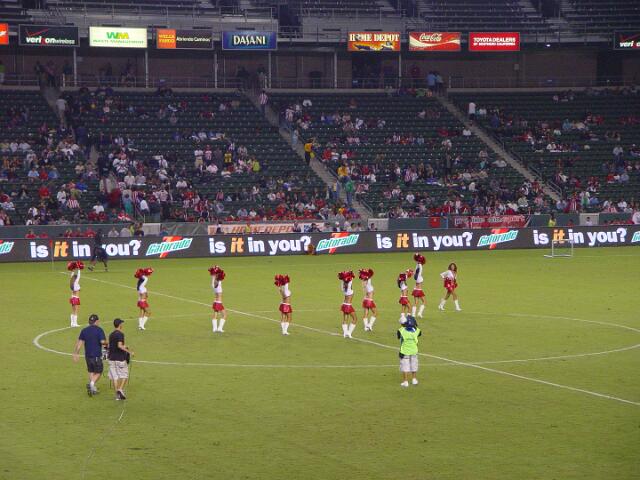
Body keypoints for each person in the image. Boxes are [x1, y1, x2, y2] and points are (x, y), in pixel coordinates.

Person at [73, 314, 107, 396]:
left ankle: (92, 388)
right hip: (96, 355)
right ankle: (91, 384)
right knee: (99, 371)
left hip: (87, 355)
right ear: (97, 321)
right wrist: (108, 343)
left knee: (91, 371)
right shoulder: (99, 330)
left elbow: (80, 343)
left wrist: (76, 353)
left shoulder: (84, 330)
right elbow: (102, 342)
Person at [108, 318, 134, 401]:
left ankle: (117, 395)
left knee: (115, 377)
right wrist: (129, 352)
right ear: (119, 325)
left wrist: (124, 346)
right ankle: (120, 390)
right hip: (120, 358)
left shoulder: (111, 334)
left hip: (111, 358)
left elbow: (112, 345)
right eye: (121, 323)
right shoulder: (120, 334)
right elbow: (119, 345)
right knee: (125, 375)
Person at [397, 315, 422, 387]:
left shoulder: (401, 330)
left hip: (404, 351)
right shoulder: (417, 330)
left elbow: (398, 336)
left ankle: (405, 382)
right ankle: (414, 379)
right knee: (414, 365)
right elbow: (419, 333)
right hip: (414, 351)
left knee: (405, 366)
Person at [338, 271, 357, 338]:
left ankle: (345, 333)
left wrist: (343, 276)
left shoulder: (342, 286)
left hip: (344, 305)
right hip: (348, 306)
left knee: (345, 319)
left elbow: (344, 279)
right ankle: (349, 333)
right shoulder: (349, 288)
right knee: (355, 319)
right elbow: (352, 277)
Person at [209, 265, 227, 333]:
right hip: (219, 302)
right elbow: (220, 276)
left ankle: (214, 329)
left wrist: (215, 270)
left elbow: (213, 277)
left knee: (215, 314)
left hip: (215, 301)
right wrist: (217, 270)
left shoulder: (213, 284)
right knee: (224, 315)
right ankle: (219, 328)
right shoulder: (217, 283)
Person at [68, 261, 84, 327]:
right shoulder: (76, 283)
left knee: (73, 310)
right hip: (76, 298)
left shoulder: (71, 282)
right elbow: (79, 276)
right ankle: (75, 323)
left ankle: (72, 323)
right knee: (76, 311)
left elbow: (72, 276)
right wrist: (79, 269)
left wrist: (73, 270)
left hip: (72, 297)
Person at [411, 253, 426, 318]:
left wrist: (417, 256)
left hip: (415, 290)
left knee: (416, 302)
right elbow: (419, 269)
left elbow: (416, 269)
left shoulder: (417, 267)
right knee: (424, 302)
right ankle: (419, 313)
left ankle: (413, 314)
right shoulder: (419, 269)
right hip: (419, 290)